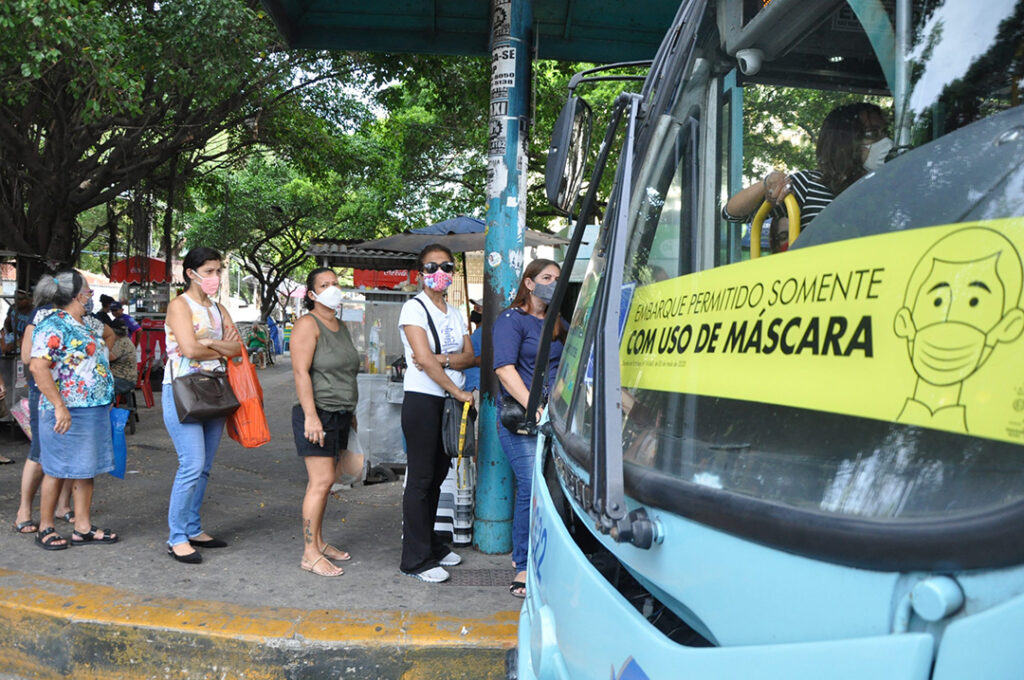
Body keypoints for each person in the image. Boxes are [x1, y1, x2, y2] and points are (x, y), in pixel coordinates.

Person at [397, 244, 474, 583]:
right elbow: (421, 360)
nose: (438, 272)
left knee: (439, 477)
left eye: (445, 266)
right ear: (421, 273)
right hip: (424, 400)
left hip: (449, 404)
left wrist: (443, 359)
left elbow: (470, 356)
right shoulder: (413, 309)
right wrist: (456, 389)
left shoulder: (456, 312)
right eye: (431, 267)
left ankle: (431, 544)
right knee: (420, 480)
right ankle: (414, 560)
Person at [28, 270, 119, 550]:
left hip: (90, 408)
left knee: (84, 469)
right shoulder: (54, 324)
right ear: (76, 294)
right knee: (56, 469)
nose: (91, 294)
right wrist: (59, 407)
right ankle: (45, 527)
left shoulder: (82, 323)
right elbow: (37, 366)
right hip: (68, 411)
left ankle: (82, 527)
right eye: (88, 289)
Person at [162, 247, 241, 564]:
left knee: (204, 467)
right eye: (209, 271)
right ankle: (176, 537)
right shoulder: (179, 305)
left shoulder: (219, 309)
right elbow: (190, 350)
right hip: (183, 391)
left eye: (218, 270)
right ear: (191, 273)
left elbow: (239, 347)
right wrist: (216, 348)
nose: (215, 277)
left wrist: (209, 345)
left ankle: (193, 528)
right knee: (192, 464)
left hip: (215, 390)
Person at [723, 102, 890, 252]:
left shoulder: (886, 189)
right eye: (872, 134)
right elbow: (733, 213)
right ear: (844, 142)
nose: (886, 142)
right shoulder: (809, 184)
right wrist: (768, 182)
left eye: (885, 132)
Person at [494, 259, 567, 598]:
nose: (553, 282)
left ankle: (546, 556)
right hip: (521, 418)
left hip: (554, 417)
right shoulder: (512, 320)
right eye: (546, 277)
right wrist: (534, 409)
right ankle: (522, 565)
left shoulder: (557, 323)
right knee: (531, 484)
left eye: (557, 277)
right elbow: (505, 371)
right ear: (529, 283)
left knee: (552, 488)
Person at [290, 267, 361, 577]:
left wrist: (352, 415)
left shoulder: (340, 325)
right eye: (324, 284)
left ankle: (318, 542)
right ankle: (309, 553)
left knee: (327, 481)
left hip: (341, 412)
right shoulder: (308, 324)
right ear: (312, 294)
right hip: (318, 413)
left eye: (335, 283)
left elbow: (344, 373)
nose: (333, 288)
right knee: (319, 483)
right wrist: (310, 416)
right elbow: (300, 372)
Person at [13, 295, 76, 535]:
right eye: (84, 291)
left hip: (75, 395)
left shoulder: (83, 316)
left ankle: (63, 505)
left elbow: (106, 337)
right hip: (45, 390)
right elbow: (27, 357)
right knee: (40, 451)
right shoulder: (42, 314)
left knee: (71, 451)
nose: (88, 296)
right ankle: (24, 510)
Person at [107, 318, 138, 396]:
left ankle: (104, 407)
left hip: (125, 380)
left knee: (98, 386)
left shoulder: (122, 342)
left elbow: (109, 358)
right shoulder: (123, 340)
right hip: (122, 377)